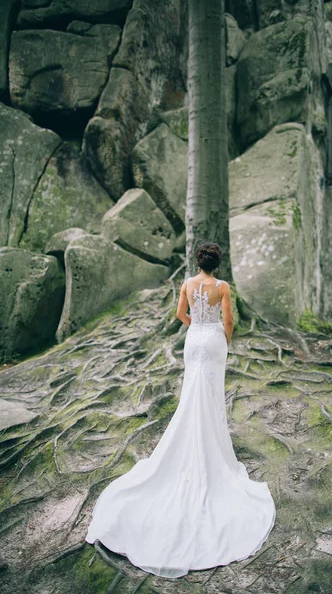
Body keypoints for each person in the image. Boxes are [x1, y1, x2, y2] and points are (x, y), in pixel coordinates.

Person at [85, 241, 276, 579]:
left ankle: (192, 441)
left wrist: (198, 329)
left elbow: (179, 315)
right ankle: (212, 447)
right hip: (214, 340)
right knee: (211, 396)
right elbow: (229, 321)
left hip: (195, 340)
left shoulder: (187, 283)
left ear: (197, 261)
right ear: (218, 263)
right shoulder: (223, 287)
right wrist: (222, 338)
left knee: (192, 394)